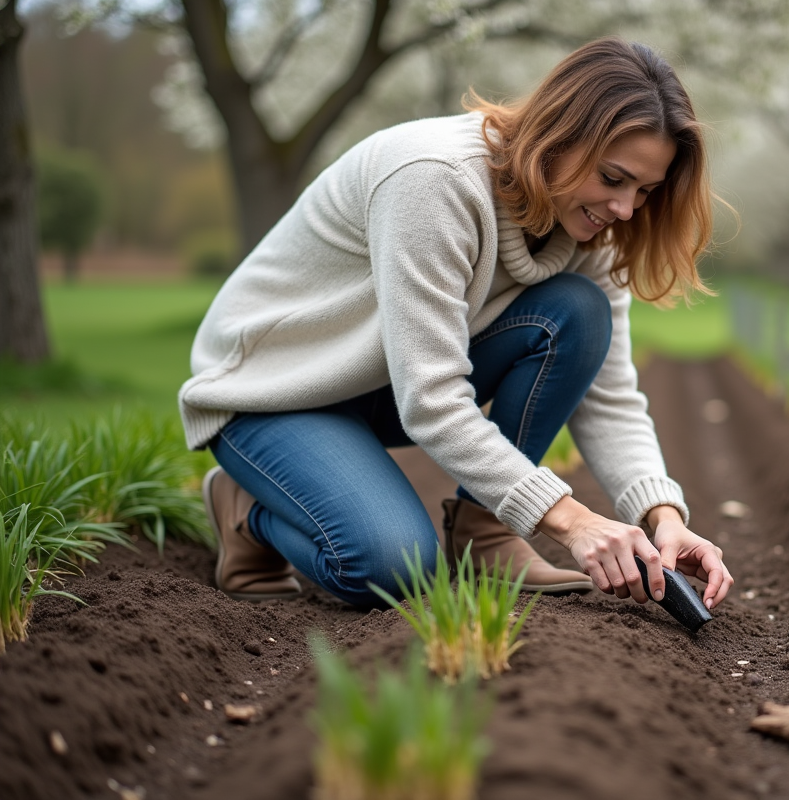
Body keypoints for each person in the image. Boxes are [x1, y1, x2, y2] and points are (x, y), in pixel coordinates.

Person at [181, 36, 735, 612]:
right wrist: (571, 522)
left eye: (645, 191)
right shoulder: (435, 179)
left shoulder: (593, 225)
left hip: (379, 386)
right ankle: (245, 510)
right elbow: (433, 397)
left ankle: (485, 532)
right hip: (274, 392)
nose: (625, 209)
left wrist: (661, 514)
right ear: (558, 136)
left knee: (578, 311)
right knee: (391, 567)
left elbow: (610, 393)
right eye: (613, 178)